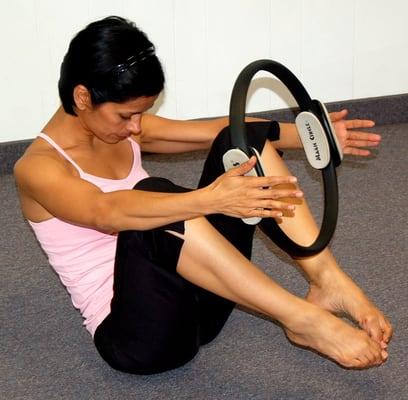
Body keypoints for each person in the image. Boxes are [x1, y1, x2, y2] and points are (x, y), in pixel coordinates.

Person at [14, 16, 392, 374]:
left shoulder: (123, 129)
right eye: (126, 115)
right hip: (140, 339)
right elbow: (106, 211)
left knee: (239, 143)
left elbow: (217, 130)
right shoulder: (38, 168)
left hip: (203, 304)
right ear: (82, 97)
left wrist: (310, 136)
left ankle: (326, 278)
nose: (137, 126)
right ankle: (299, 318)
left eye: (142, 113)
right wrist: (211, 199)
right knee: (151, 200)